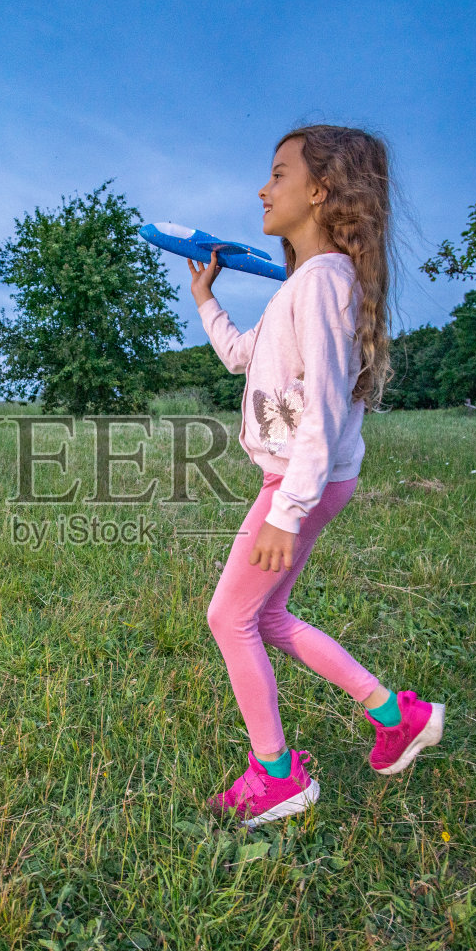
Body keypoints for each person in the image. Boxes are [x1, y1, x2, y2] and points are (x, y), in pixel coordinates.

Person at [190, 125, 444, 828]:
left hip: (300, 481)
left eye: (278, 174)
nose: (263, 189)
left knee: (229, 616)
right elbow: (245, 355)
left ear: (322, 190)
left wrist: (286, 508)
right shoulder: (304, 285)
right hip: (303, 479)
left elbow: (326, 411)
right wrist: (206, 300)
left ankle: (276, 775)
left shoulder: (324, 281)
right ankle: (397, 715)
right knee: (264, 615)